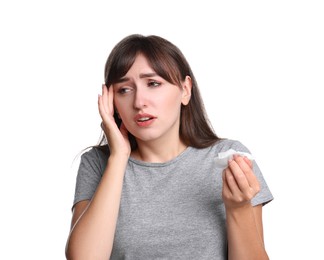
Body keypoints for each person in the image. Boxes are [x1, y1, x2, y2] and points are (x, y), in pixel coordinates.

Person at [65, 34, 273, 260]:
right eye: (124, 89)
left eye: (153, 84)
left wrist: (238, 208)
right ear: (110, 101)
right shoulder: (97, 163)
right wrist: (119, 156)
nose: (139, 102)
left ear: (185, 90)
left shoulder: (228, 158)